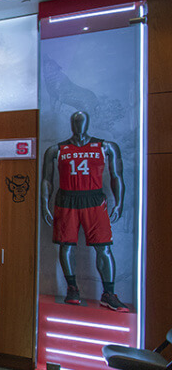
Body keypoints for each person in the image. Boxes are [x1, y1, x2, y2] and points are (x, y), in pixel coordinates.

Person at [41, 111, 128, 312]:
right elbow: (47, 179)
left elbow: (117, 176)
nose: (78, 124)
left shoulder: (105, 146)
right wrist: (44, 203)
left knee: (103, 247)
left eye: (81, 121)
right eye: (75, 121)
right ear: (71, 124)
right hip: (67, 199)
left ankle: (109, 293)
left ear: (87, 123)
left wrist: (119, 202)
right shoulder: (57, 149)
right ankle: (72, 288)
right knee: (66, 245)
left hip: (94, 199)